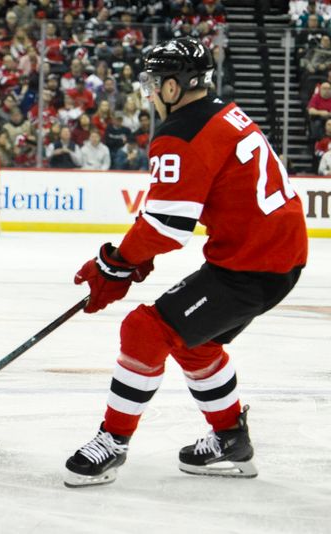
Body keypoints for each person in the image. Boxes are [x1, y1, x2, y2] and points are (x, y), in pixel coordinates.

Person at [64, 38, 308, 488]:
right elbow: (175, 215)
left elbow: (168, 228)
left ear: (175, 87)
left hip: (251, 264)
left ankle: (113, 441)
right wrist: (134, 257)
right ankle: (231, 438)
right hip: (275, 257)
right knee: (194, 342)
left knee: (145, 330)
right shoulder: (221, 113)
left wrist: (116, 264)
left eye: (156, 83)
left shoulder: (181, 132)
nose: (151, 93)